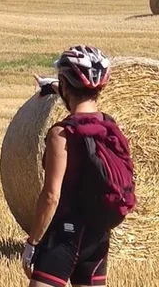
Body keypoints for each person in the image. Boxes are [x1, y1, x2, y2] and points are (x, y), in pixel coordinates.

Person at [23, 45, 122, 287]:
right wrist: (51, 86)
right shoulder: (109, 126)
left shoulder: (62, 134)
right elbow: (80, 98)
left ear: (65, 84)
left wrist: (32, 242)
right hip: (98, 236)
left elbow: (50, 196)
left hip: (64, 237)